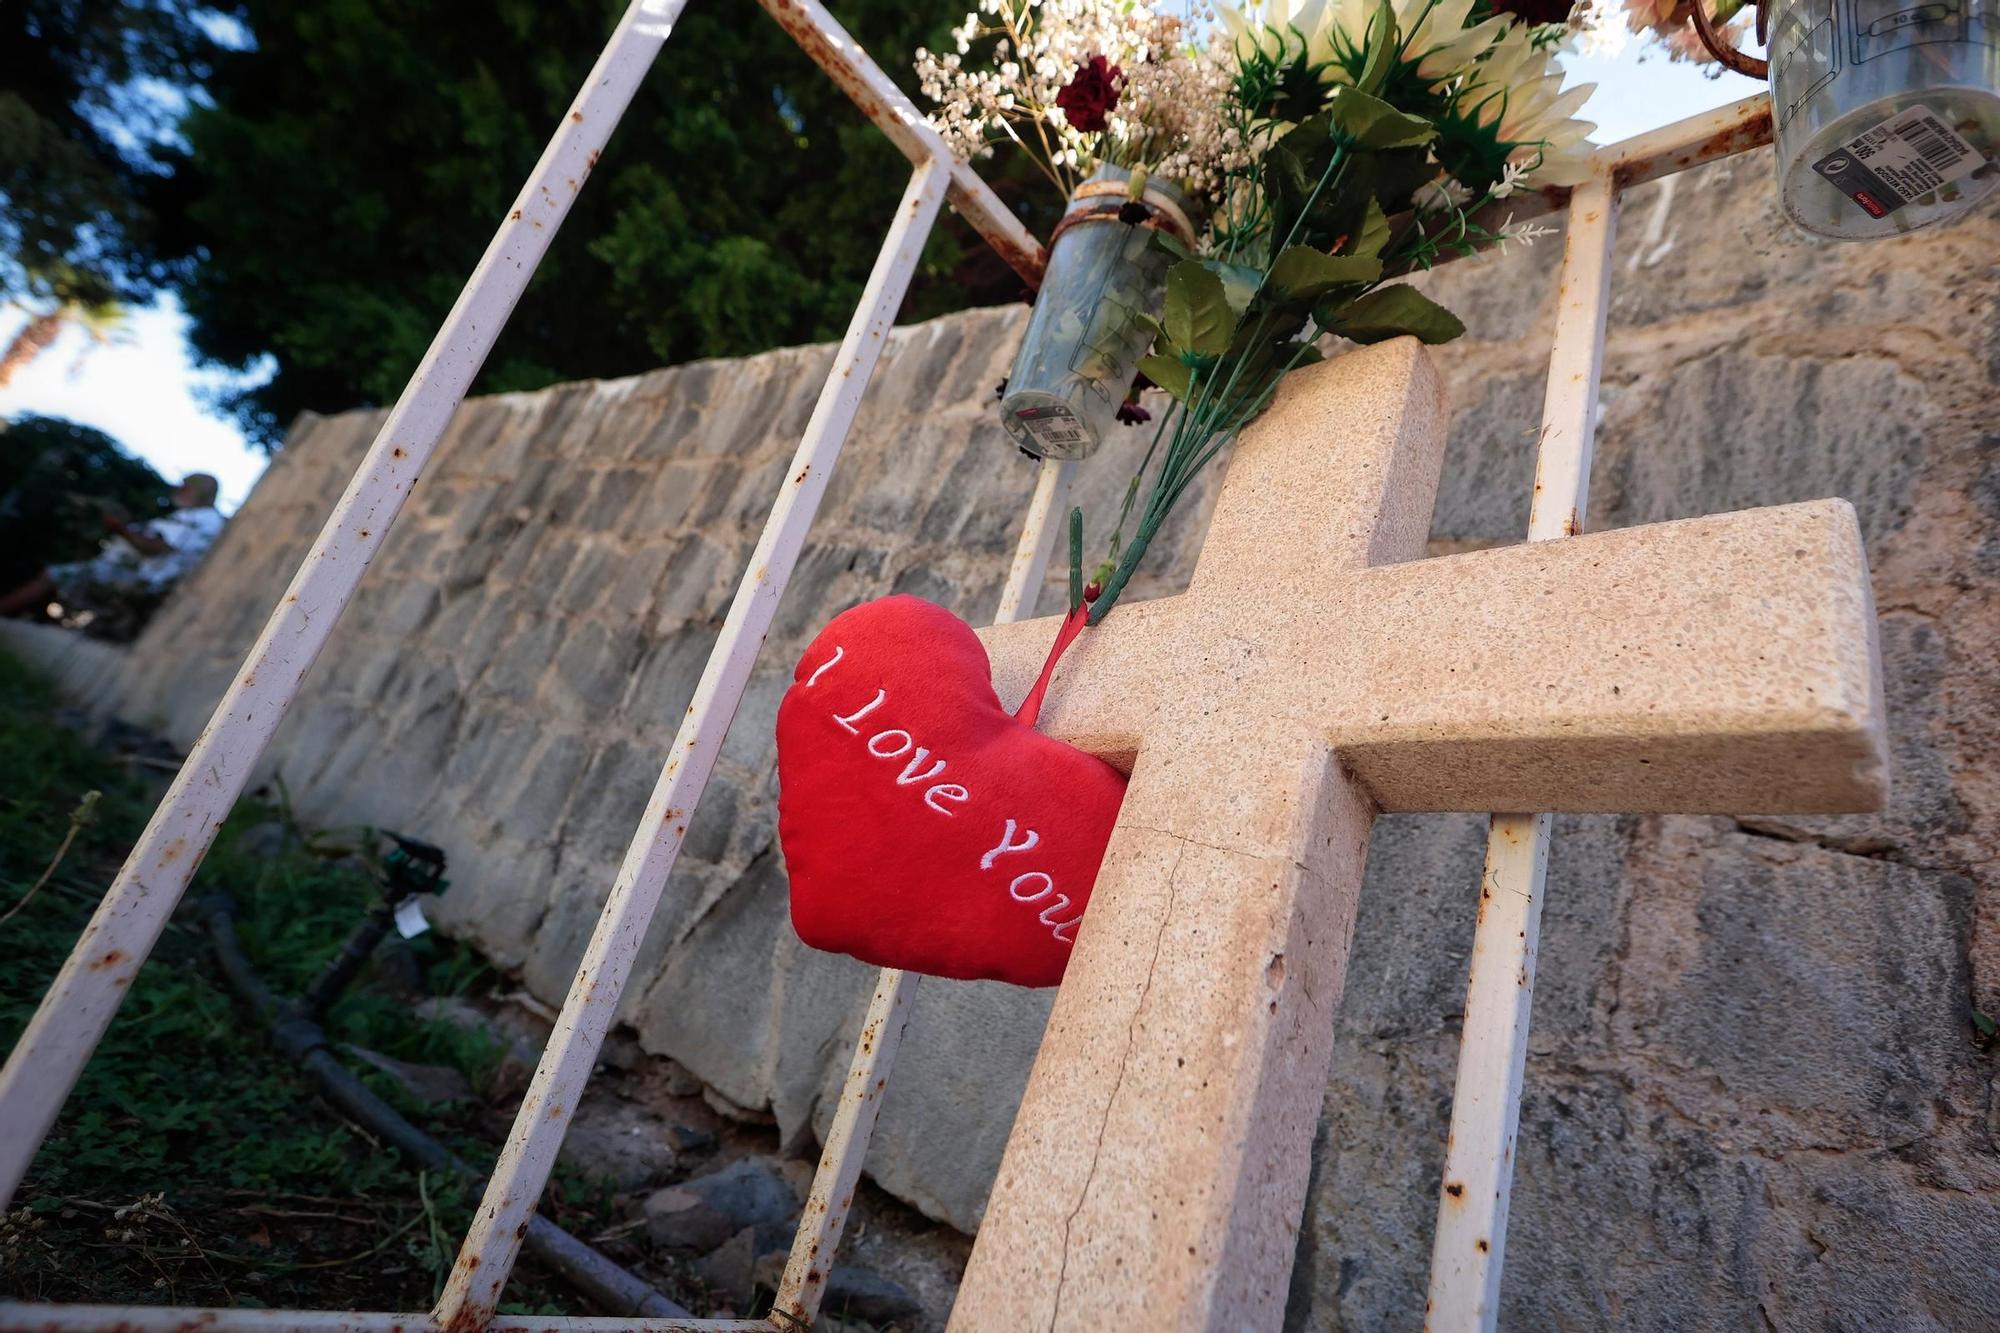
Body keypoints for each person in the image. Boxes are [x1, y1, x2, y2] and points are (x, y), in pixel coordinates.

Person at [0, 473, 225, 629]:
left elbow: (154, 548)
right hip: (142, 577)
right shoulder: (204, 519)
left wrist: (120, 529)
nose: (177, 490)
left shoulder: (198, 518)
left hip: (143, 580)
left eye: (184, 487)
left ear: (197, 491)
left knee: (54, 576)